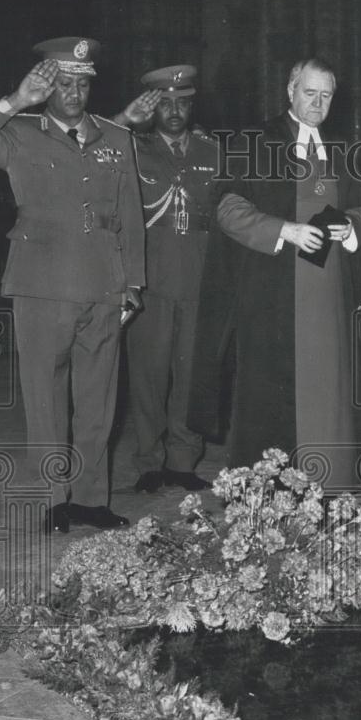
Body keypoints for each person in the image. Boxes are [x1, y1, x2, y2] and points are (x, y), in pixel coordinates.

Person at [0, 38, 145, 533]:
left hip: (104, 286)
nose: (75, 92)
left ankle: (90, 500)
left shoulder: (115, 138)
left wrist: (133, 283)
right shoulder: (18, 133)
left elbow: (129, 216)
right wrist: (16, 100)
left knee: (98, 402)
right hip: (40, 286)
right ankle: (53, 500)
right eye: (64, 82)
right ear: (47, 85)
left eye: (83, 83)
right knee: (46, 400)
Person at [188, 57, 361, 489]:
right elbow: (228, 209)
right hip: (274, 293)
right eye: (309, 93)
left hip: (330, 293)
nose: (317, 103)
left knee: (331, 388)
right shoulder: (255, 142)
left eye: (326, 95)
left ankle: (330, 484)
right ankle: (271, 491)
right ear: (290, 90)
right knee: (271, 398)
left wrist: (352, 228)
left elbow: (359, 209)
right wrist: (284, 230)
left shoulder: (341, 146)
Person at [114, 65, 215, 494]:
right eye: (165, 103)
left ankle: (183, 462)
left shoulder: (213, 151)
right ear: (152, 105)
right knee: (149, 374)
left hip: (200, 274)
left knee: (191, 374)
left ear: (193, 104)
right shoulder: (131, 147)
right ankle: (149, 462)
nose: (175, 111)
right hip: (150, 275)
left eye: (183, 102)